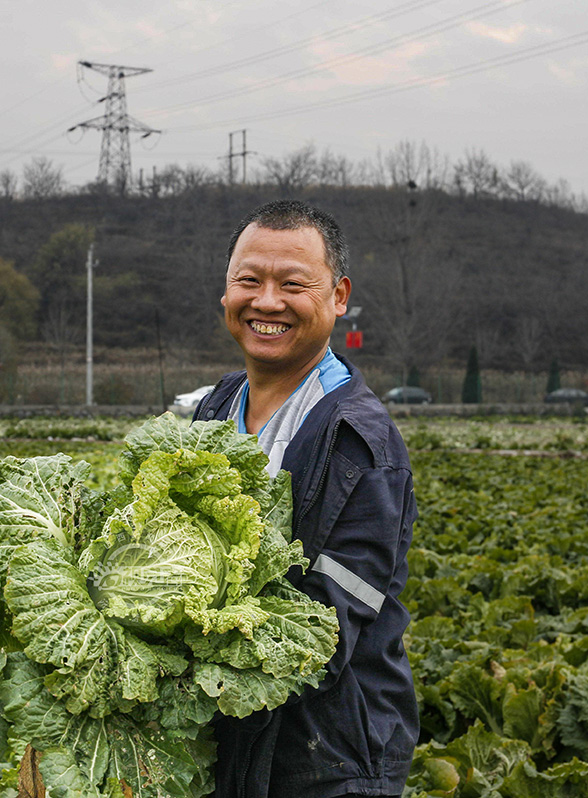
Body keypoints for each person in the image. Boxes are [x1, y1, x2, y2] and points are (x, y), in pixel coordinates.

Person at [194, 199, 418, 798]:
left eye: (293, 284)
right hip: (224, 746)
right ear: (225, 291)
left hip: (324, 761)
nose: (267, 302)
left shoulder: (360, 444)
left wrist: (168, 649)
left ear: (338, 297)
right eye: (249, 280)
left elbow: (322, 632)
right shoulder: (216, 408)